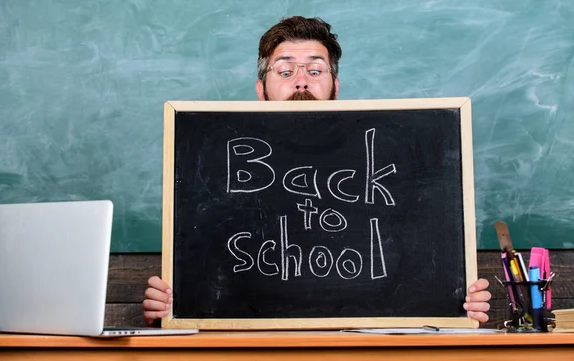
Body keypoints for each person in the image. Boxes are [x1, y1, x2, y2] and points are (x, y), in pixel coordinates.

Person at [143, 16, 492, 327]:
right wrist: (169, 306)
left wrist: (457, 300)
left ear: (334, 88)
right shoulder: (215, 163)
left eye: (314, 70)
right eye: (284, 70)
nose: (300, 82)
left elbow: (422, 267)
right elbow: (201, 272)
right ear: (260, 90)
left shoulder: (395, 156)